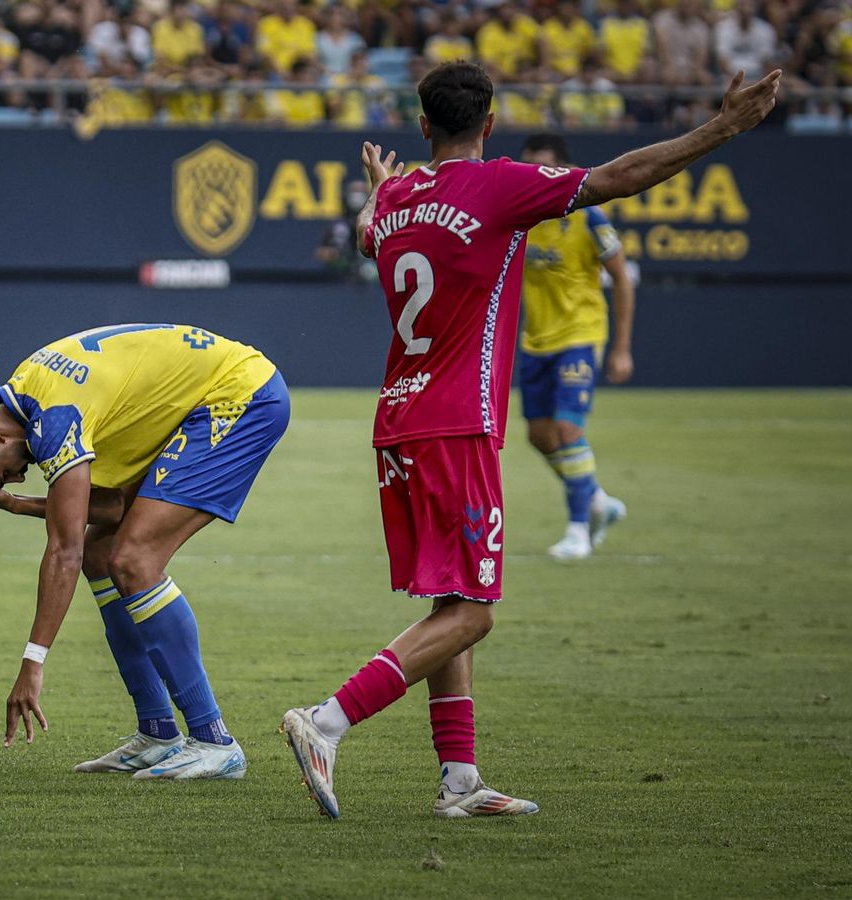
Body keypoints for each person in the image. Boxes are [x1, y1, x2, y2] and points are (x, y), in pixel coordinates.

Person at [280, 60, 780, 819]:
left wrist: (381, 186)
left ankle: (460, 783)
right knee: (474, 611)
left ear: (421, 126)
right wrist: (725, 127)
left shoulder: (397, 200)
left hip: (399, 420)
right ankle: (326, 722)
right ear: (488, 124)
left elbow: (361, 234)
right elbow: (620, 176)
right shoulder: (502, 184)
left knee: (453, 601)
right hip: (457, 422)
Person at [0, 324, 290, 780]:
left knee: (134, 561)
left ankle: (214, 741)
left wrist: (32, 664)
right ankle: (158, 732)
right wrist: (13, 505)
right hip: (198, 396)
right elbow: (113, 507)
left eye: (2, 475)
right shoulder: (30, 390)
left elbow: (64, 550)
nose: (16, 480)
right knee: (104, 553)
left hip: (239, 397)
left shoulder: (55, 420)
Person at [517, 133, 634, 561]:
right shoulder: (520, 218)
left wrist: (621, 347)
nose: (537, 177)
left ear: (565, 172)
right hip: (536, 340)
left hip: (580, 336)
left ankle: (579, 530)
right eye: (530, 168)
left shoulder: (590, 220)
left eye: (545, 168)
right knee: (539, 435)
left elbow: (622, 277)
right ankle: (599, 500)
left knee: (568, 428)